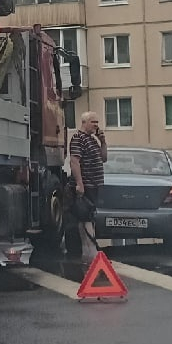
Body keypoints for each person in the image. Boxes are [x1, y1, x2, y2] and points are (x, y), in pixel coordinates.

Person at [67, 111, 108, 259]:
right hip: (86, 184)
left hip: (94, 184)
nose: (96, 125)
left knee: (88, 217)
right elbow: (74, 161)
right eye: (93, 122)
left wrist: (102, 141)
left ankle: (89, 250)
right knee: (86, 217)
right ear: (84, 122)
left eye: (97, 122)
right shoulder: (78, 138)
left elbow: (104, 158)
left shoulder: (92, 140)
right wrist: (79, 184)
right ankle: (90, 251)